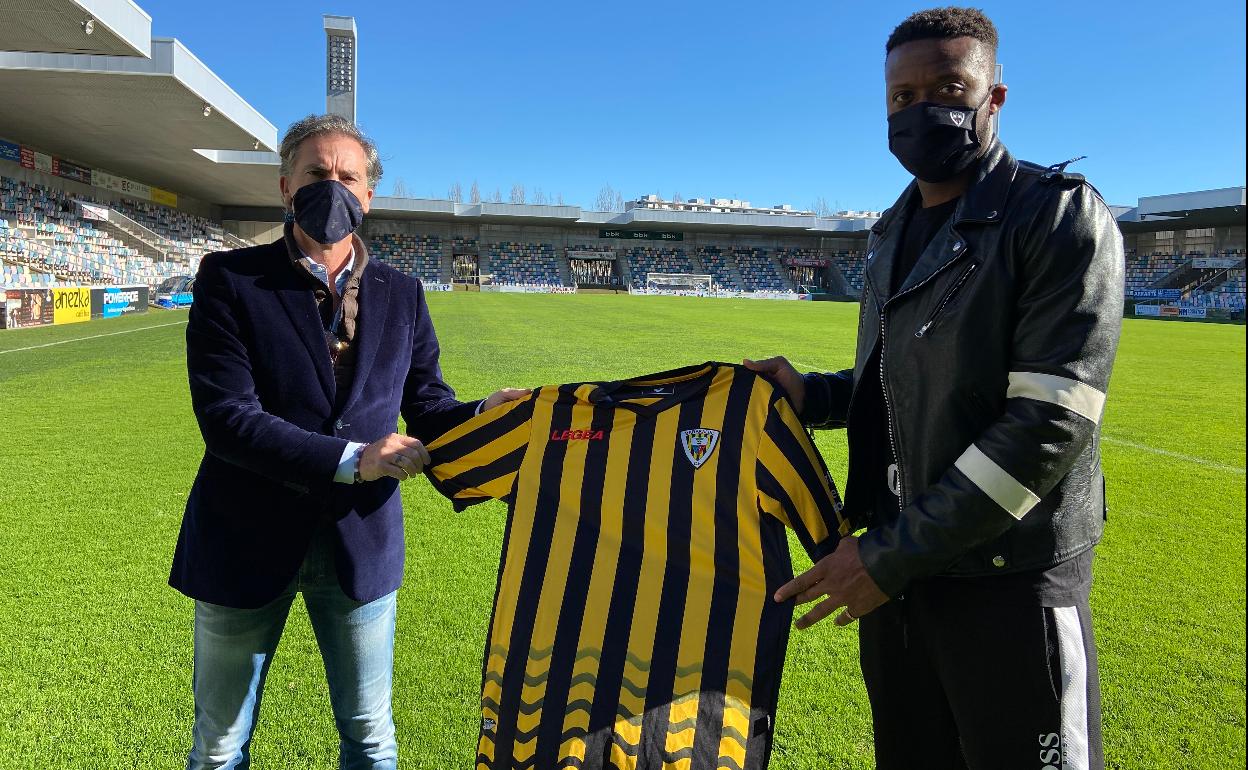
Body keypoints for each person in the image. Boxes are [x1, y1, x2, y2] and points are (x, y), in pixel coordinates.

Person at [747, 8, 1123, 769]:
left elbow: (1046, 426)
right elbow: (902, 382)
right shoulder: (889, 232)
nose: (921, 110)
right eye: (901, 96)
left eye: (949, 86)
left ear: (995, 96)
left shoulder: (1055, 216)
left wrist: (888, 556)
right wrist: (813, 395)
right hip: (902, 578)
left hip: (1007, 581)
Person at [169, 113, 526, 769]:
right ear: (285, 186)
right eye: (316, 174)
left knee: (369, 736)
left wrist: (484, 415)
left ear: (368, 195)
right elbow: (227, 418)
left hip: (361, 544)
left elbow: (427, 404)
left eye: (347, 177)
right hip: (242, 538)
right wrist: (355, 460)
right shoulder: (230, 279)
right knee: (219, 746)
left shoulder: (404, 293)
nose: (331, 187)